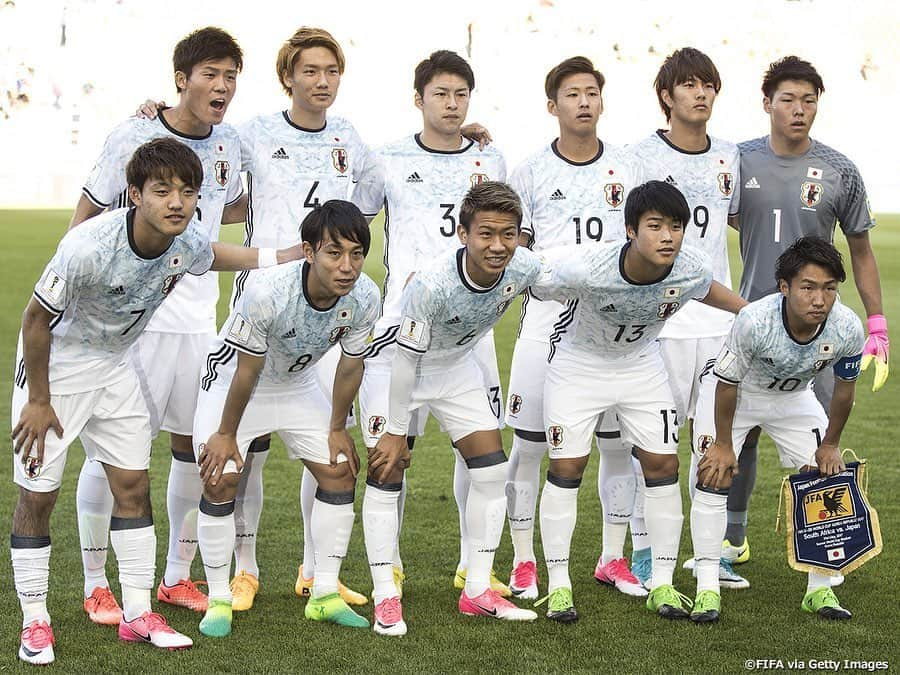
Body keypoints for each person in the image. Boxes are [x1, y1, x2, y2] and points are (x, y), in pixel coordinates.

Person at [10, 137, 302, 665]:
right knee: (39, 494)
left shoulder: (184, 240)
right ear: (134, 194)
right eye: (162, 190)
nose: (177, 202)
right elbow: (35, 318)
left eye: (187, 192)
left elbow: (210, 254)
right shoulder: (88, 247)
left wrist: (280, 256)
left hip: (115, 366)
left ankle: (138, 612)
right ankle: (35, 621)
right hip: (57, 370)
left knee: (132, 484)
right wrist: (38, 400)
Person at [69, 26, 246, 622]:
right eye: (210, 74)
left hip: (199, 320)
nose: (221, 87)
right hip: (128, 324)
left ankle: (175, 576)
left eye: (230, 76)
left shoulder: (233, 144)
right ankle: (97, 581)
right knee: (111, 453)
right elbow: (89, 213)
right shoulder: (132, 135)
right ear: (181, 79)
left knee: (191, 449)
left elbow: (229, 207)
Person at [530, 180, 747, 623]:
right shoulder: (586, 268)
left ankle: (662, 583)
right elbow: (532, 281)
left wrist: (757, 313)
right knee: (566, 468)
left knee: (664, 466)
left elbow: (709, 291)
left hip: (641, 366)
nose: (668, 236)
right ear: (630, 229)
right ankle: (559, 586)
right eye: (655, 226)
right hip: (579, 365)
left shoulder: (689, 267)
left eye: (676, 226)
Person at [353, 49, 509, 598]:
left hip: (472, 331)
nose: (451, 103)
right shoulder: (387, 158)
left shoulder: (491, 160)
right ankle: (388, 568)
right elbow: (353, 223)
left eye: (460, 94)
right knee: (393, 452)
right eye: (440, 94)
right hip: (403, 329)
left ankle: (475, 566)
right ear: (418, 100)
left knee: (482, 449)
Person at [725, 55, 888, 569]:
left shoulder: (840, 169)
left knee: (822, 438)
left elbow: (860, 251)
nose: (798, 109)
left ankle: (828, 545)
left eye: (808, 100)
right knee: (739, 433)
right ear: (766, 104)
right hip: (751, 323)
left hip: (817, 329)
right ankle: (733, 538)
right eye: (787, 99)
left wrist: (877, 322)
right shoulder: (737, 160)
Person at [192, 200, 380, 637]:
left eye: (356, 253)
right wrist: (225, 433)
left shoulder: (366, 296)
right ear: (309, 252)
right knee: (221, 478)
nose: (347, 266)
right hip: (234, 384)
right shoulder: (267, 292)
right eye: (334, 252)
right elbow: (246, 369)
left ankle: (325, 594)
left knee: (339, 471)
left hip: (295, 385)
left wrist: (336, 427)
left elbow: (351, 365)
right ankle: (219, 597)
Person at [364, 181, 540, 636]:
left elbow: (568, 279)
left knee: (489, 473)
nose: (497, 245)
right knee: (387, 472)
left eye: (508, 234)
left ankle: (477, 590)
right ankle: (386, 596)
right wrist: (395, 430)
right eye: (486, 234)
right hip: (394, 366)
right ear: (463, 234)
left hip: (454, 367)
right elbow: (405, 360)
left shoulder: (523, 268)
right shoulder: (433, 283)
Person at [503, 56, 644, 600]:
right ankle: (522, 561)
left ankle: (612, 557)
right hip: (545, 323)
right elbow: (517, 248)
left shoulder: (628, 168)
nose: (584, 102)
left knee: (616, 448)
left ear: (601, 101)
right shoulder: (531, 170)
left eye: (592, 92)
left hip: (611, 326)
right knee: (532, 447)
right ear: (552, 106)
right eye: (572, 94)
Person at [691, 237, 864, 622]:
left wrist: (831, 443)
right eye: (808, 287)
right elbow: (727, 384)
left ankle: (819, 591)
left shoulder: (847, 327)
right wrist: (722, 444)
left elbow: (844, 391)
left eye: (829, 288)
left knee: (827, 481)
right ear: (784, 287)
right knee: (712, 475)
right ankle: (706, 587)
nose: (819, 299)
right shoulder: (755, 320)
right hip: (737, 394)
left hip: (793, 397)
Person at [629, 47, 746, 590]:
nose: (701, 94)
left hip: (718, 326)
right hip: (663, 324)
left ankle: (708, 551)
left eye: (709, 86)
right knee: (656, 443)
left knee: (716, 441)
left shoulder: (730, 155)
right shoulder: (639, 158)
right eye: (690, 85)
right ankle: (646, 550)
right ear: (666, 96)